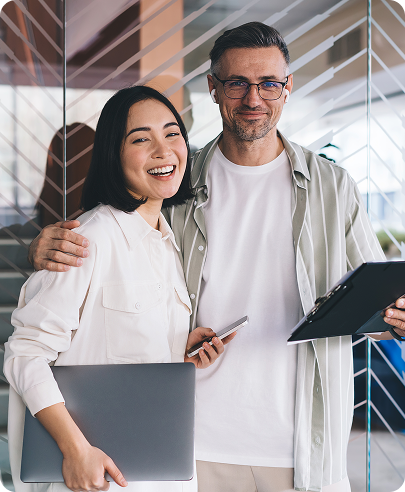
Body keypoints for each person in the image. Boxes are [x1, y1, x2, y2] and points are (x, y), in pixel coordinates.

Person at [26, 23, 405, 492]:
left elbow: (378, 299)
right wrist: (41, 246)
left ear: (287, 89)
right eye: (237, 83)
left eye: (269, 83)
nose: (254, 98)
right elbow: (113, 235)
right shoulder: (175, 186)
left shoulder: (333, 187)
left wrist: (395, 316)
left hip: (301, 444)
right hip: (186, 444)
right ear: (213, 88)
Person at [4, 86, 235, 492]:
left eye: (172, 134)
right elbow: (24, 354)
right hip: (96, 476)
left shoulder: (166, 243)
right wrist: (75, 449)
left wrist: (177, 353)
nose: (163, 151)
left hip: (161, 473)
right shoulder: (87, 240)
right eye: (141, 139)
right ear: (114, 153)